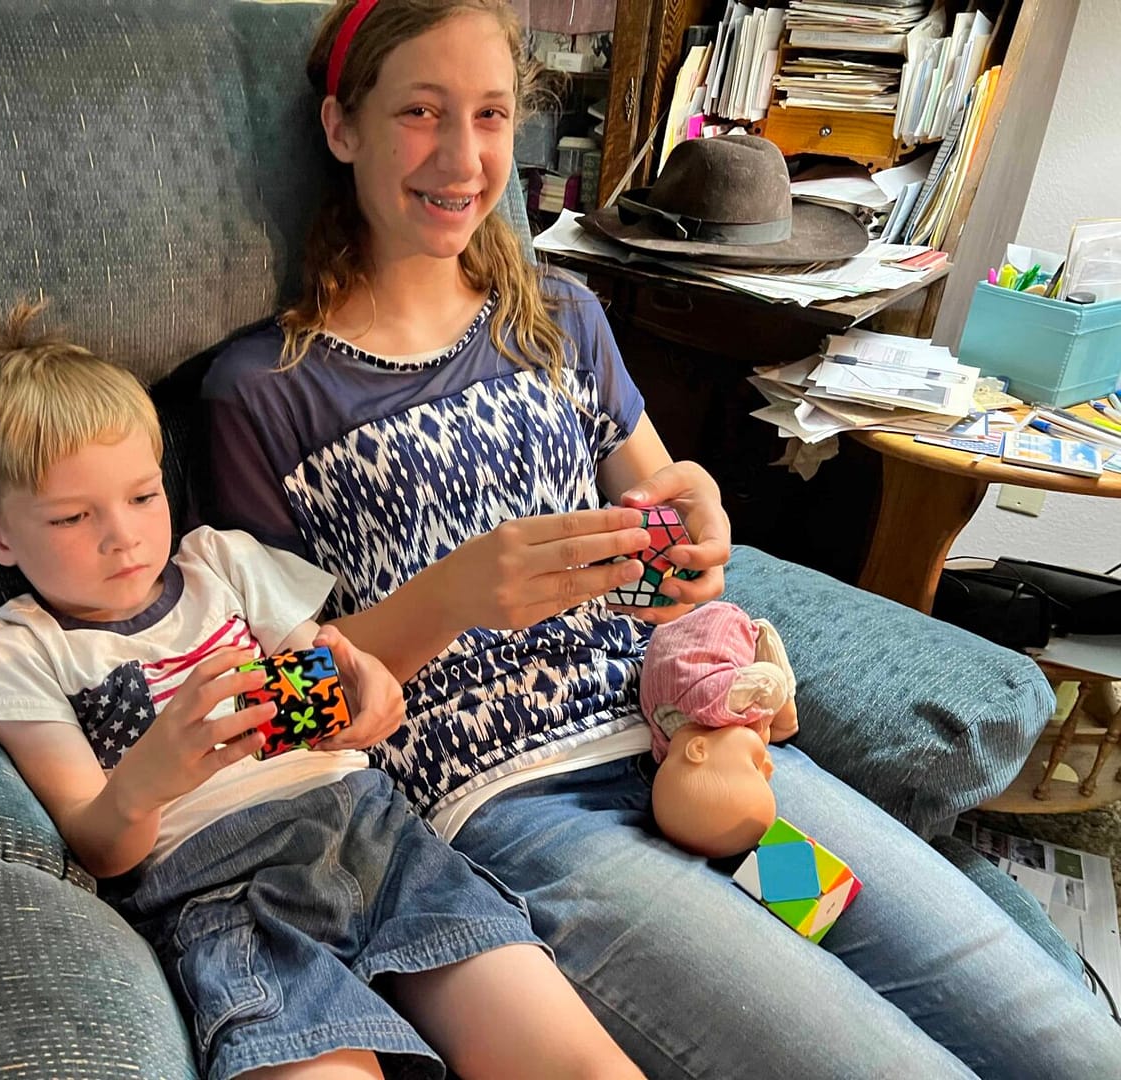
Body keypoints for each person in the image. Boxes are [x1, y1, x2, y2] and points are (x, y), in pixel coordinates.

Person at [201, 2, 1121, 1076]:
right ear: (342, 127)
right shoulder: (260, 394)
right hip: (529, 818)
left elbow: (673, 521)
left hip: (702, 753)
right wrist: (451, 597)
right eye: (420, 111)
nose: (463, 157)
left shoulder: (558, 318)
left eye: (490, 114)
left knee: (1060, 1041)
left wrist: (700, 517)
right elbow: (287, 714)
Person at [0, 300, 643, 1080]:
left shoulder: (221, 564)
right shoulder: (17, 654)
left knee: (580, 1065)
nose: (123, 536)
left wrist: (362, 690)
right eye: (71, 517)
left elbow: (330, 672)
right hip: (228, 896)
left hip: (376, 839)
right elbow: (99, 846)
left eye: (142, 496)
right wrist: (148, 779)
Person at [639, 601, 798, 858]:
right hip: (670, 639)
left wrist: (769, 720)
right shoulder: (663, 742)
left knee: (776, 694)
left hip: (724, 625)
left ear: (699, 749)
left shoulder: (716, 703)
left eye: (755, 767)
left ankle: (787, 719)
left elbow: (770, 680)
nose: (770, 766)